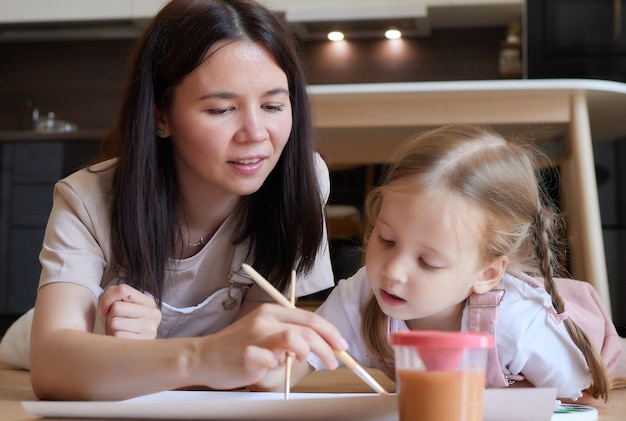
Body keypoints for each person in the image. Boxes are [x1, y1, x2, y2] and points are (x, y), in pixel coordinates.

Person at [0, 0, 349, 400]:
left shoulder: (300, 180)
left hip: (161, 376)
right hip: (62, 345)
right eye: (221, 109)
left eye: (272, 105)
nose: (255, 133)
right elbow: (53, 367)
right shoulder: (87, 199)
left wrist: (211, 360)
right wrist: (203, 357)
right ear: (159, 116)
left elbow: (253, 368)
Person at [258, 124, 623, 401]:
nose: (392, 270)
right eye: (386, 239)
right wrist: (266, 361)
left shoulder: (517, 324)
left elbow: (582, 396)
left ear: (487, 273)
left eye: (428, 262)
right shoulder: (362, 296)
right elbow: (285, 374)